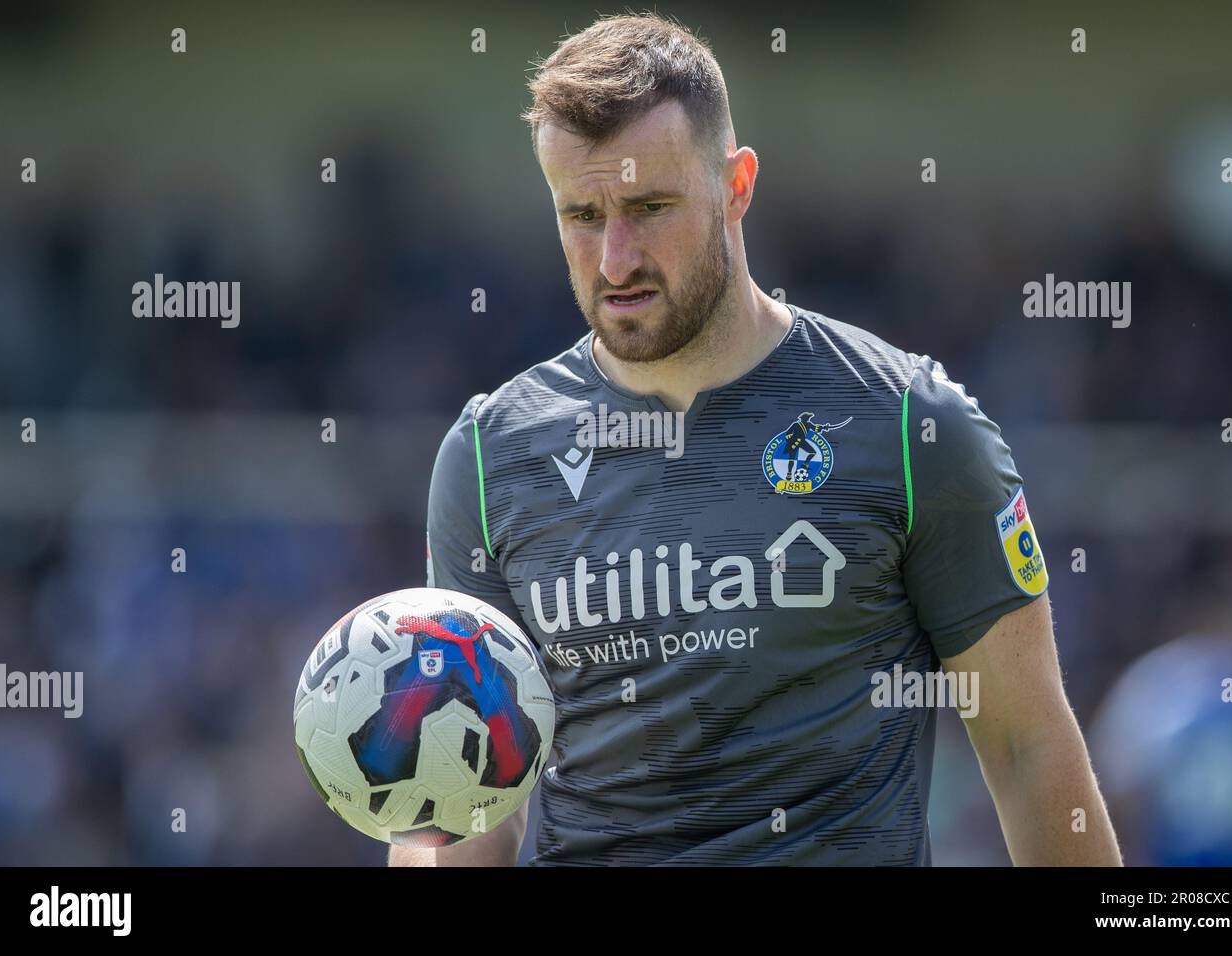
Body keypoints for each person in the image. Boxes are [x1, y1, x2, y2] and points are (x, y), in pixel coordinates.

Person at [392, 12, 1121, 866]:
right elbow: (470, 805)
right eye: (582, 214)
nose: (616, 258)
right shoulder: (488, 458)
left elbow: (1028, 746)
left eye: (649, 208)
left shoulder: (911, 427)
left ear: (737, 186)